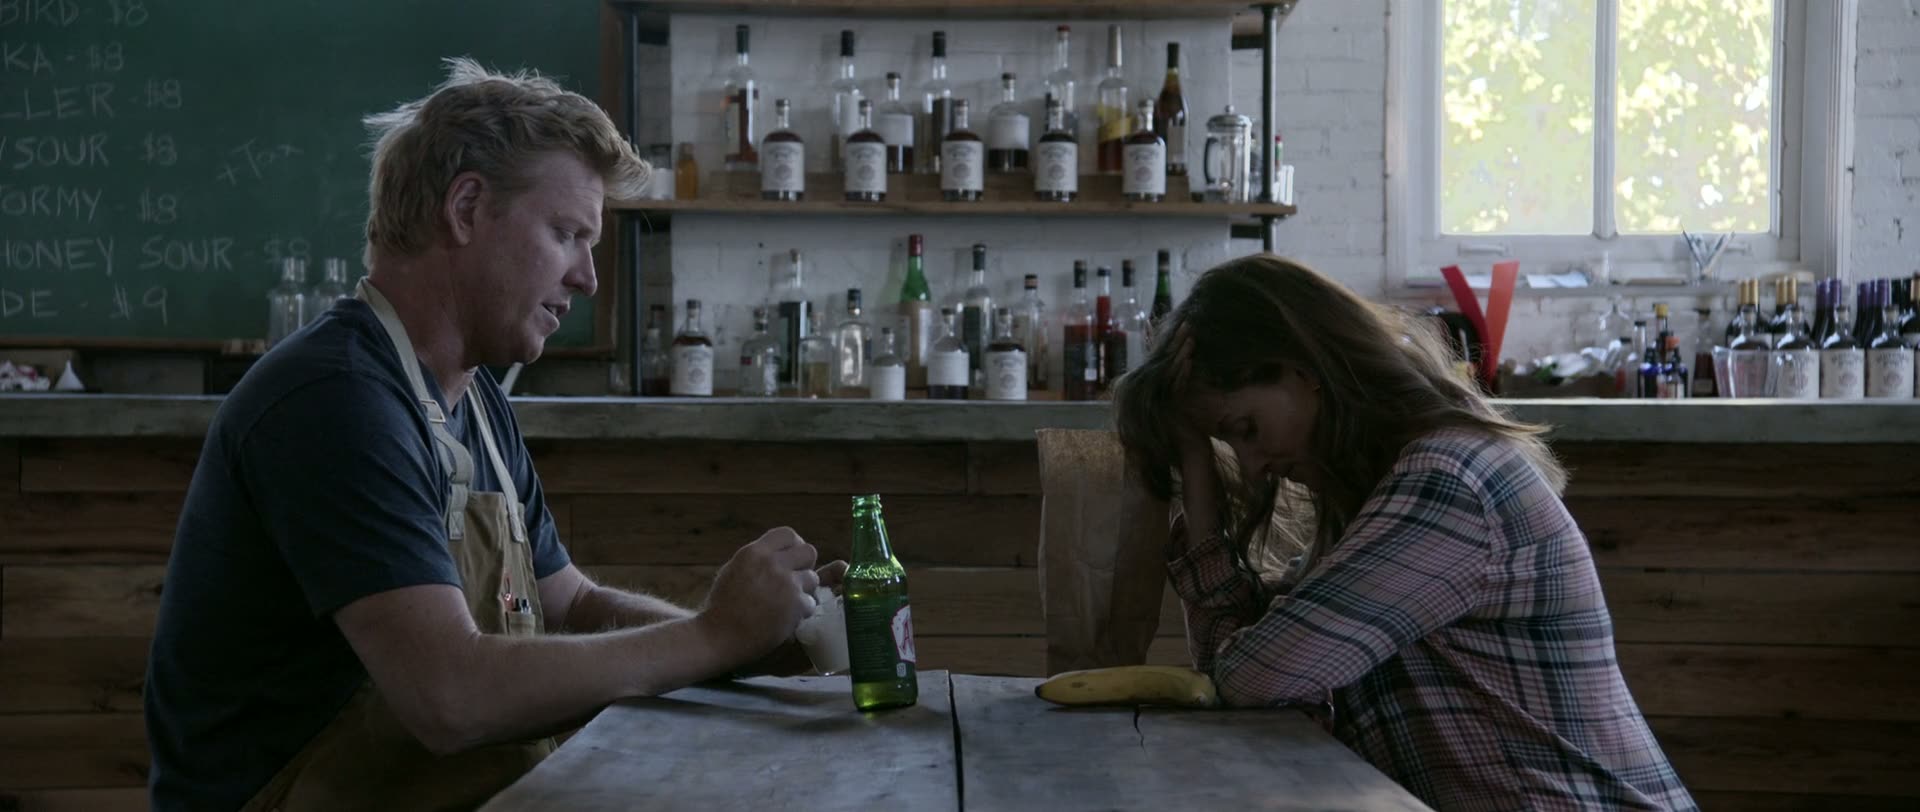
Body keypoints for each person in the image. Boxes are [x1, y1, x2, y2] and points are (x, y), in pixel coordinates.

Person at [143, 59, 839, 812]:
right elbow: (450, 698)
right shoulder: (335, 401)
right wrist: (712, 639)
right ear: (467, 208)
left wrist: (748, 650)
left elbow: (574, 605)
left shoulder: (472, 398)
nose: (587, 278)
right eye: (567, 234)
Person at [1112, 255, 1697, 811]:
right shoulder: (1379, 500)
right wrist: (1195, 465)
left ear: (1303, 369)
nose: (1253, 464)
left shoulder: (1449, 481)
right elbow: (1231, 679)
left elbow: (1252, 678)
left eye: (1246, 428)